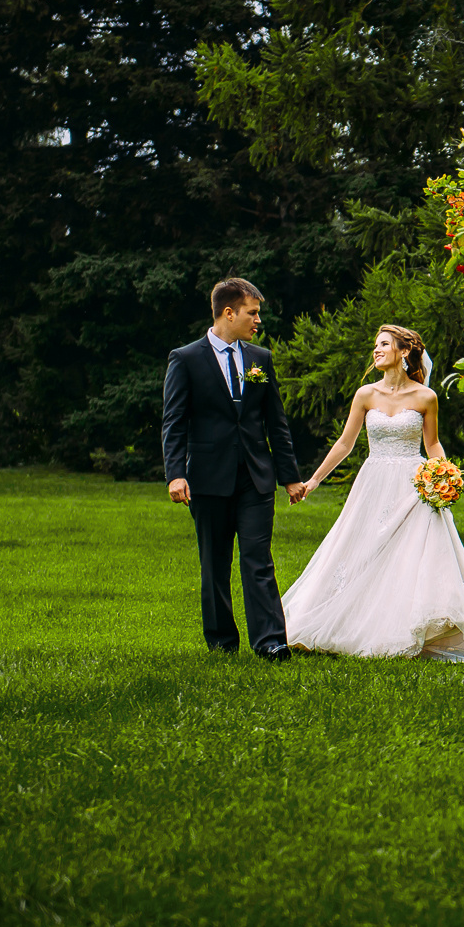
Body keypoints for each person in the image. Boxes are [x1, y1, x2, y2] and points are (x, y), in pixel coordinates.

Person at [282, 324, 464, 661]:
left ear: (404, 351)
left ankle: (407, 626)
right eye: (375, 345)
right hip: (374, 482)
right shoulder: (366, 394)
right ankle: (343, 620)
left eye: (384, 344)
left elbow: (432, 443)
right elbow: (345, 442)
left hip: (413, 486)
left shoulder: (426, 397)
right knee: (361, 550)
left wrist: (443, 475)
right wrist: (314, 480)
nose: (376, 350)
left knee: (410, 556)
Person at [161, 277, 307, 659]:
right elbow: (173, 422)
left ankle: (271, 641)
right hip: (207, 479)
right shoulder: (186, 358)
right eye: (252, 313)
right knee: (215, 564)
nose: (258, 320)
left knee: (258, 559)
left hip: (256, 478)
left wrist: (289, 477)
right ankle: (222, 642)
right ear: (229, 313)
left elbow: (276, 423)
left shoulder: (260, 359)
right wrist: (176, 473)